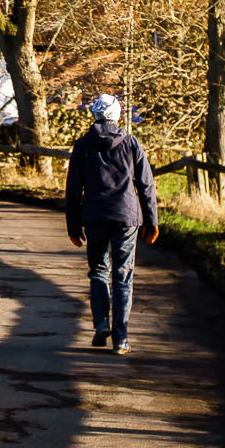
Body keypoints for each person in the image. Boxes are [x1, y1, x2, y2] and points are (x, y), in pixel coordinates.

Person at [64, 93, 158, 355]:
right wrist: (152, 222)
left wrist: (73, 227)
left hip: (94, 218)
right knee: (122, 277)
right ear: (117, 115)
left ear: (95, 115)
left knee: (98, 272)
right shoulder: (131, 143)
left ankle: (101, 323)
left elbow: (73, 190)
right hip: (126, 218)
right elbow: (146, 185)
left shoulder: (83, 146)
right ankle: (121, 339)